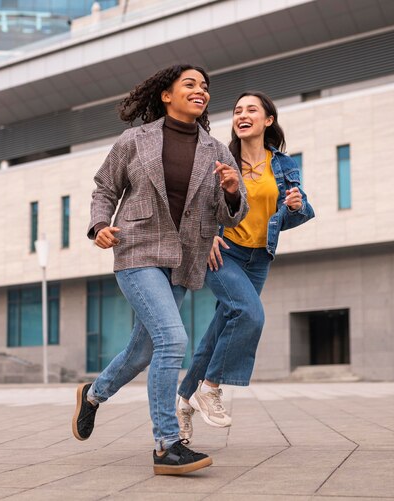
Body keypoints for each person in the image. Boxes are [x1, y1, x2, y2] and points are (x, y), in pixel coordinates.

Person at [71, 64, 248, 475]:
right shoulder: (135, 140)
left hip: (183, 259)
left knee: (143, 351)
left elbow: (231, 217)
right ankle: (166, 444)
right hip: (136, 250)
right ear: (166, 95)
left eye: (205, 86)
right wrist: (99, 226)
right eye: (190, 84)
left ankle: (93, 395)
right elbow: (105, 188)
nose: (200, 90)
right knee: (172, 339)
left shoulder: (217, 150)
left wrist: (233, 192)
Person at [176, 91, 315, 441]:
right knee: (251, 315)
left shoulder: (282, 165)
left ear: (268, 120)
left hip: (259, 258)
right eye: (237, 110)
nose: (242, 114)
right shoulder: (219, 160)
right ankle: (210, 387)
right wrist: (207, 238)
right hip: (224, 253)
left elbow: (291, 215)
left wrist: (295, 206)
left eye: (251, 109)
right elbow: (196, 206)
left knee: (220, 329)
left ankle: (182, 401)